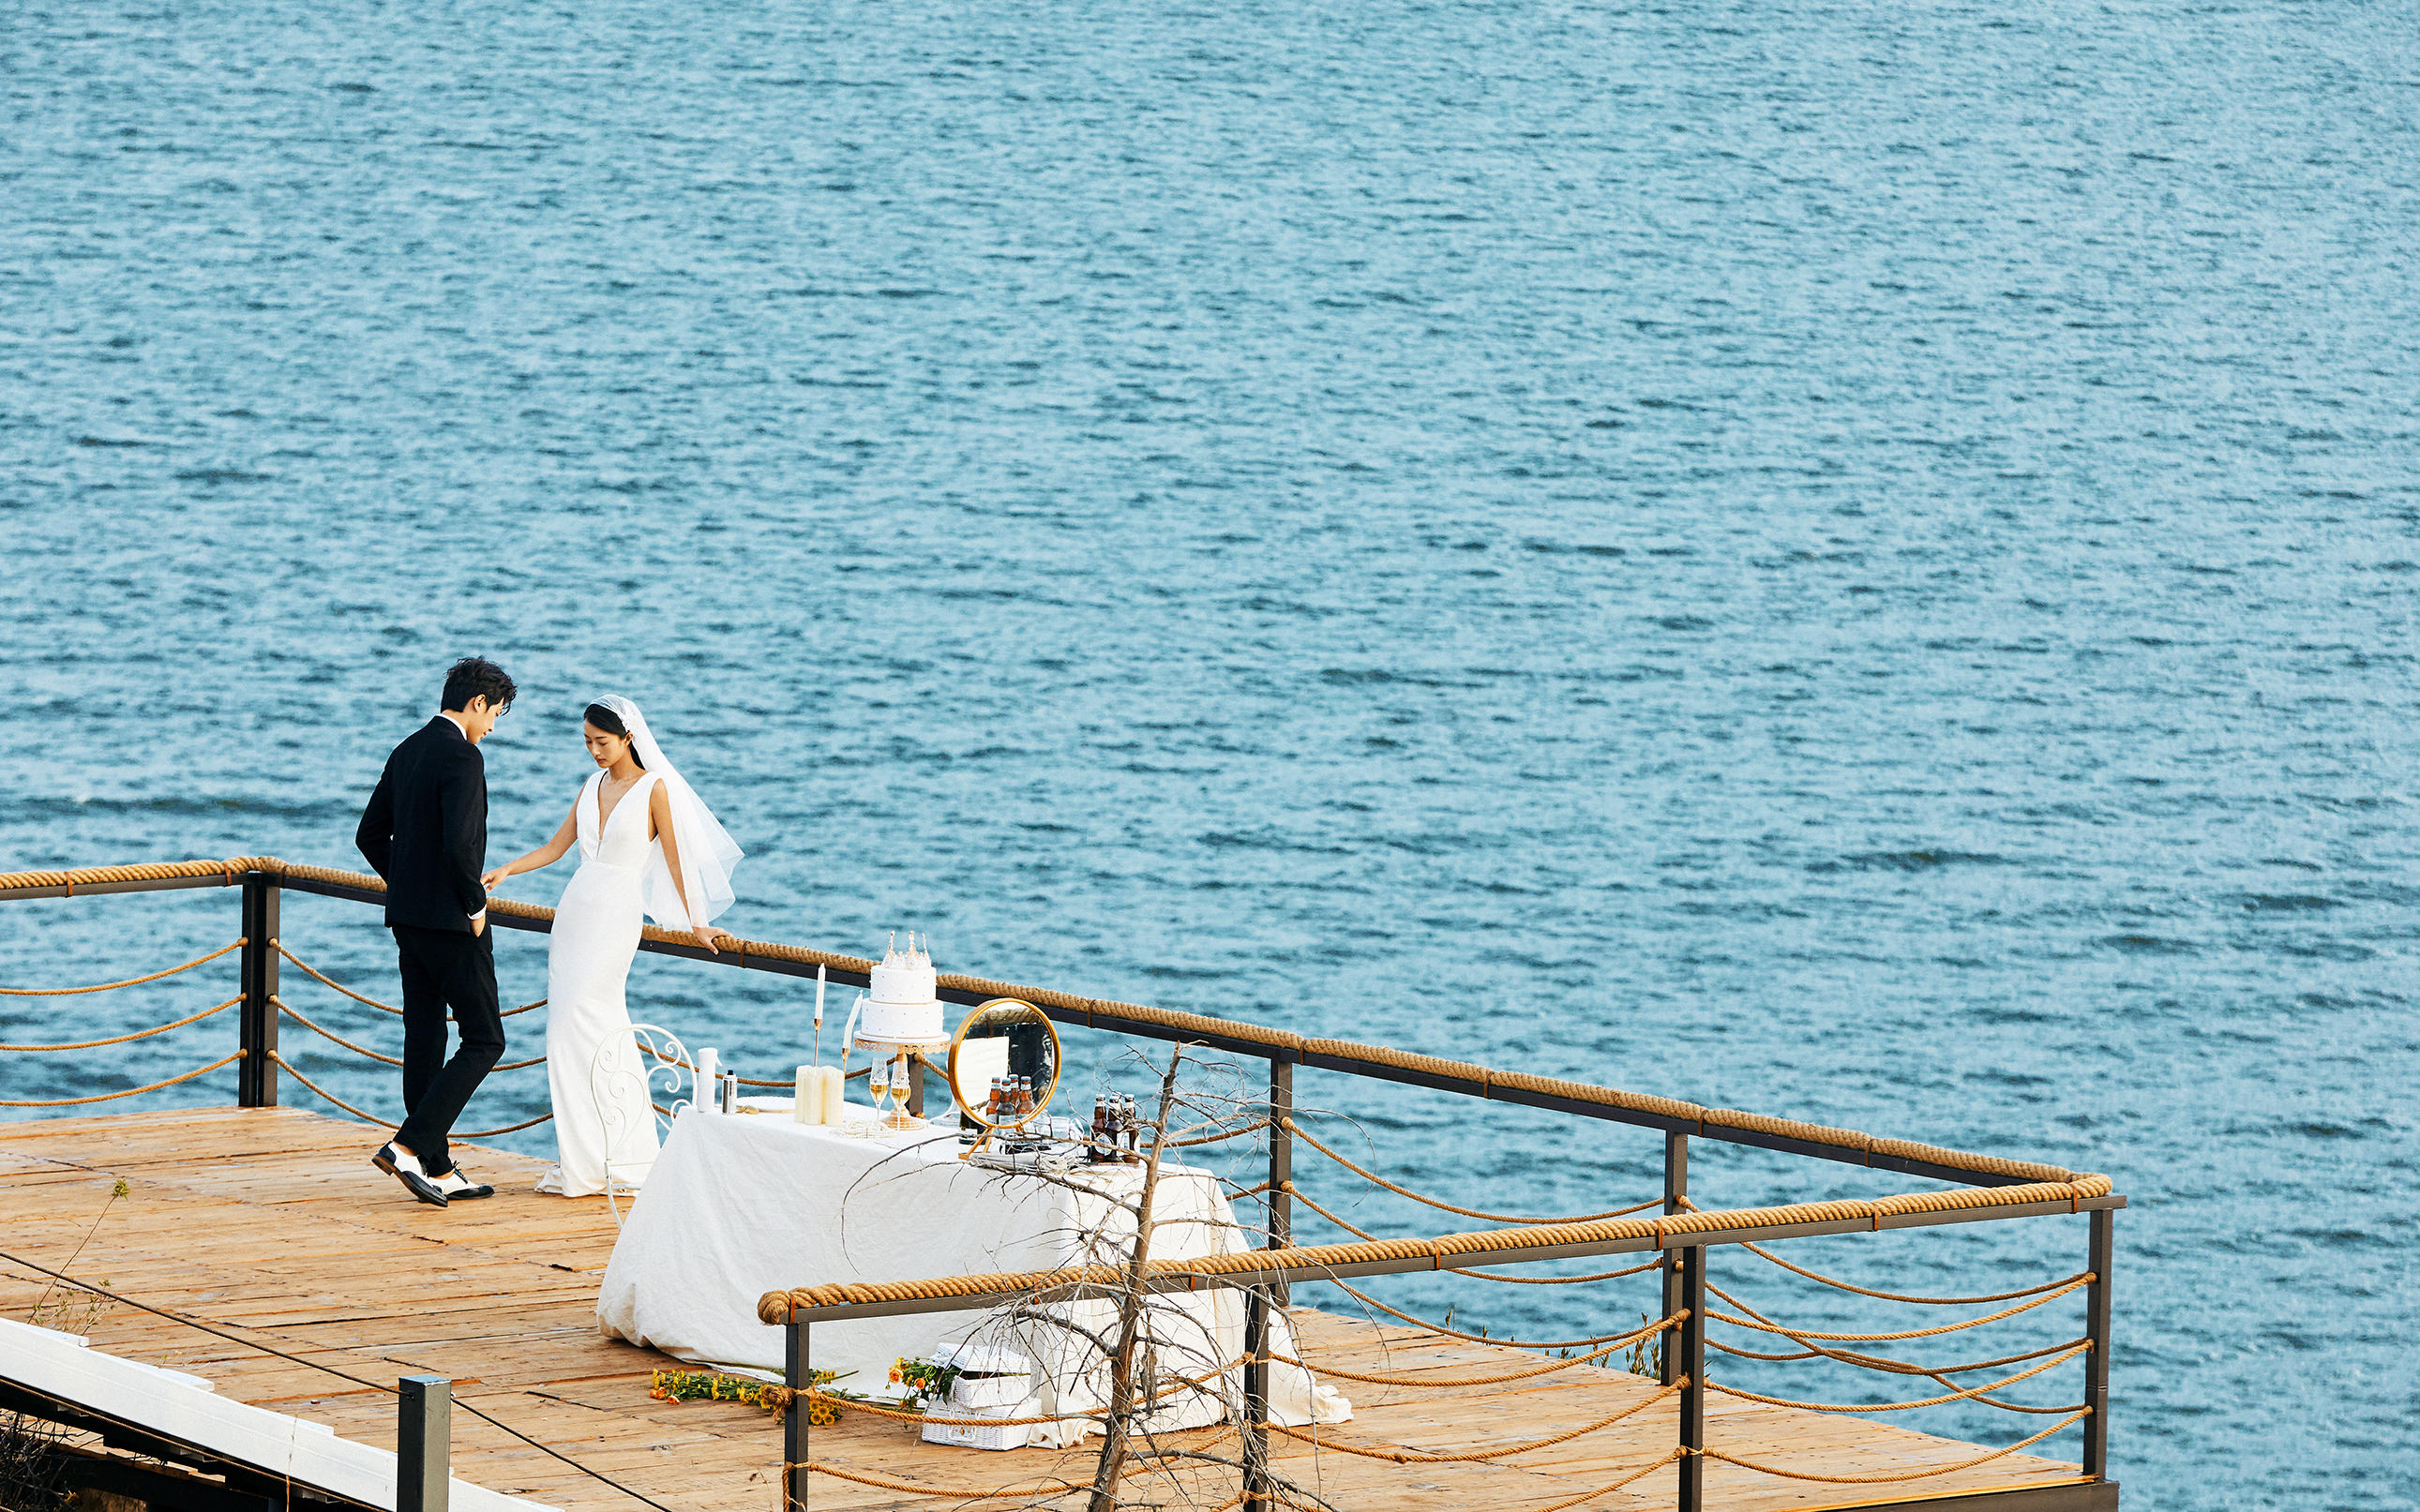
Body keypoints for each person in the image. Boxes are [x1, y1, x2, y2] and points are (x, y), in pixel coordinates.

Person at [481, 696, 743, 1196]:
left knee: (602, 1023)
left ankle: (626, 1156)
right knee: (563, 1035)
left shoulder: (654, 789)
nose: (594, 751)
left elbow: (676, 861)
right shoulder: (592, 784)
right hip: (575, 911)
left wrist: (697, 923)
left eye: (601, 742)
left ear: (628, 738)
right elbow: (557, 848)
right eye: (586, 743)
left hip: (615, 918)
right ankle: (582, 1157)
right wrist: (508, 869)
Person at [354, 657, 518, 1206]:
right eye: (496, 713)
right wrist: (474, 905)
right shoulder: (463, 757)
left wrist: (409, 883)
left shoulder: (407, 748)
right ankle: (408, 1147)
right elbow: (459, 847)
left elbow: (369, 835)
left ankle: (438, 1165)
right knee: (486, 1037)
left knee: (425, 1034)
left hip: (408, 917)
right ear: (477, 704)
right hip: (452, 921)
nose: (493, 726)